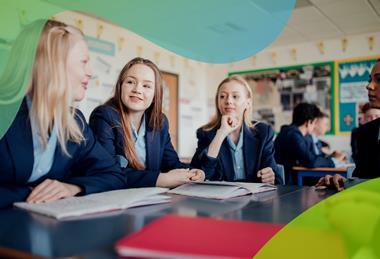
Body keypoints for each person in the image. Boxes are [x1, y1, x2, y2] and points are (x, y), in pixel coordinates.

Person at [0, 20, 126, 208]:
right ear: (52, 64)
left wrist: (72, 188)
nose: (90, 72)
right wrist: (31, 194)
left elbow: (114, 175)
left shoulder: (75, 121)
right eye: (84, 62)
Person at [90, 57, 204, 188]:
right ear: (120, 86)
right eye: (130, 82)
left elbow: (172, 164)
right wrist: (161, 179)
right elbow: (106, 172)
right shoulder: (104, 116)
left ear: (156, 94)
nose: (137, 90)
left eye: (146, 85)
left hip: (150, 201)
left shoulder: (160, 122)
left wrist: (193, 172)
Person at [191, 75, 279, 184]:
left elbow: (275, 175)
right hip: (220, 198)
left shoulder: (263, 132)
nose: (228, 101)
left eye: (235, 96)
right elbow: (201, 174)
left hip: (254, 198)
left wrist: (270, 175)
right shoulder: (205, 133)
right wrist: (221, 134)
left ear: (248, 102)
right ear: (218, 103)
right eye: (222, 96)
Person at [318, 59, 380, 189]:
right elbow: (364, 178)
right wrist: (345, 183)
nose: (369, 86)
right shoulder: (365, 132)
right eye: (370, 80)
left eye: (379, 80)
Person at [274, 103, 342, 184]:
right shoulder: (293, 135)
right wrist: (333, 161)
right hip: (287, 184)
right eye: (315, 122)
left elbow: (311, 156)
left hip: (292, 179)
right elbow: (310, 161)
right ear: (308, 122)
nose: (314, 126)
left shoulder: (294, 133)